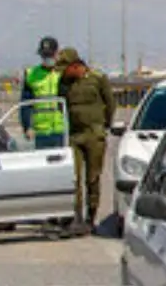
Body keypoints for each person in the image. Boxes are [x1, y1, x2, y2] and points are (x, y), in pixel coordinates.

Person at [55, 47, 116, 236]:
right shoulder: (64, 82)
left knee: (93, 177)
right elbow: (60, 103)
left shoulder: (98, 78)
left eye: (66, 68)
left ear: (75, 65)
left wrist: (104, 125)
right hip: (75, 135)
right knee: (73, 177)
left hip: (94, 134)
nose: (63, 72)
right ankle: (76, 217)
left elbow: (110, 104)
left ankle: (91, 216)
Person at [20, 36, 65, 149]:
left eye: (49, 55)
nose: (47, 58)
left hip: (62, 130)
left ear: (57, 54)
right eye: (44, 55)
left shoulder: (63, 73)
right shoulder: (31, 74)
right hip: (40, 132)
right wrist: (27, 127)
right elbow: (25, 105)